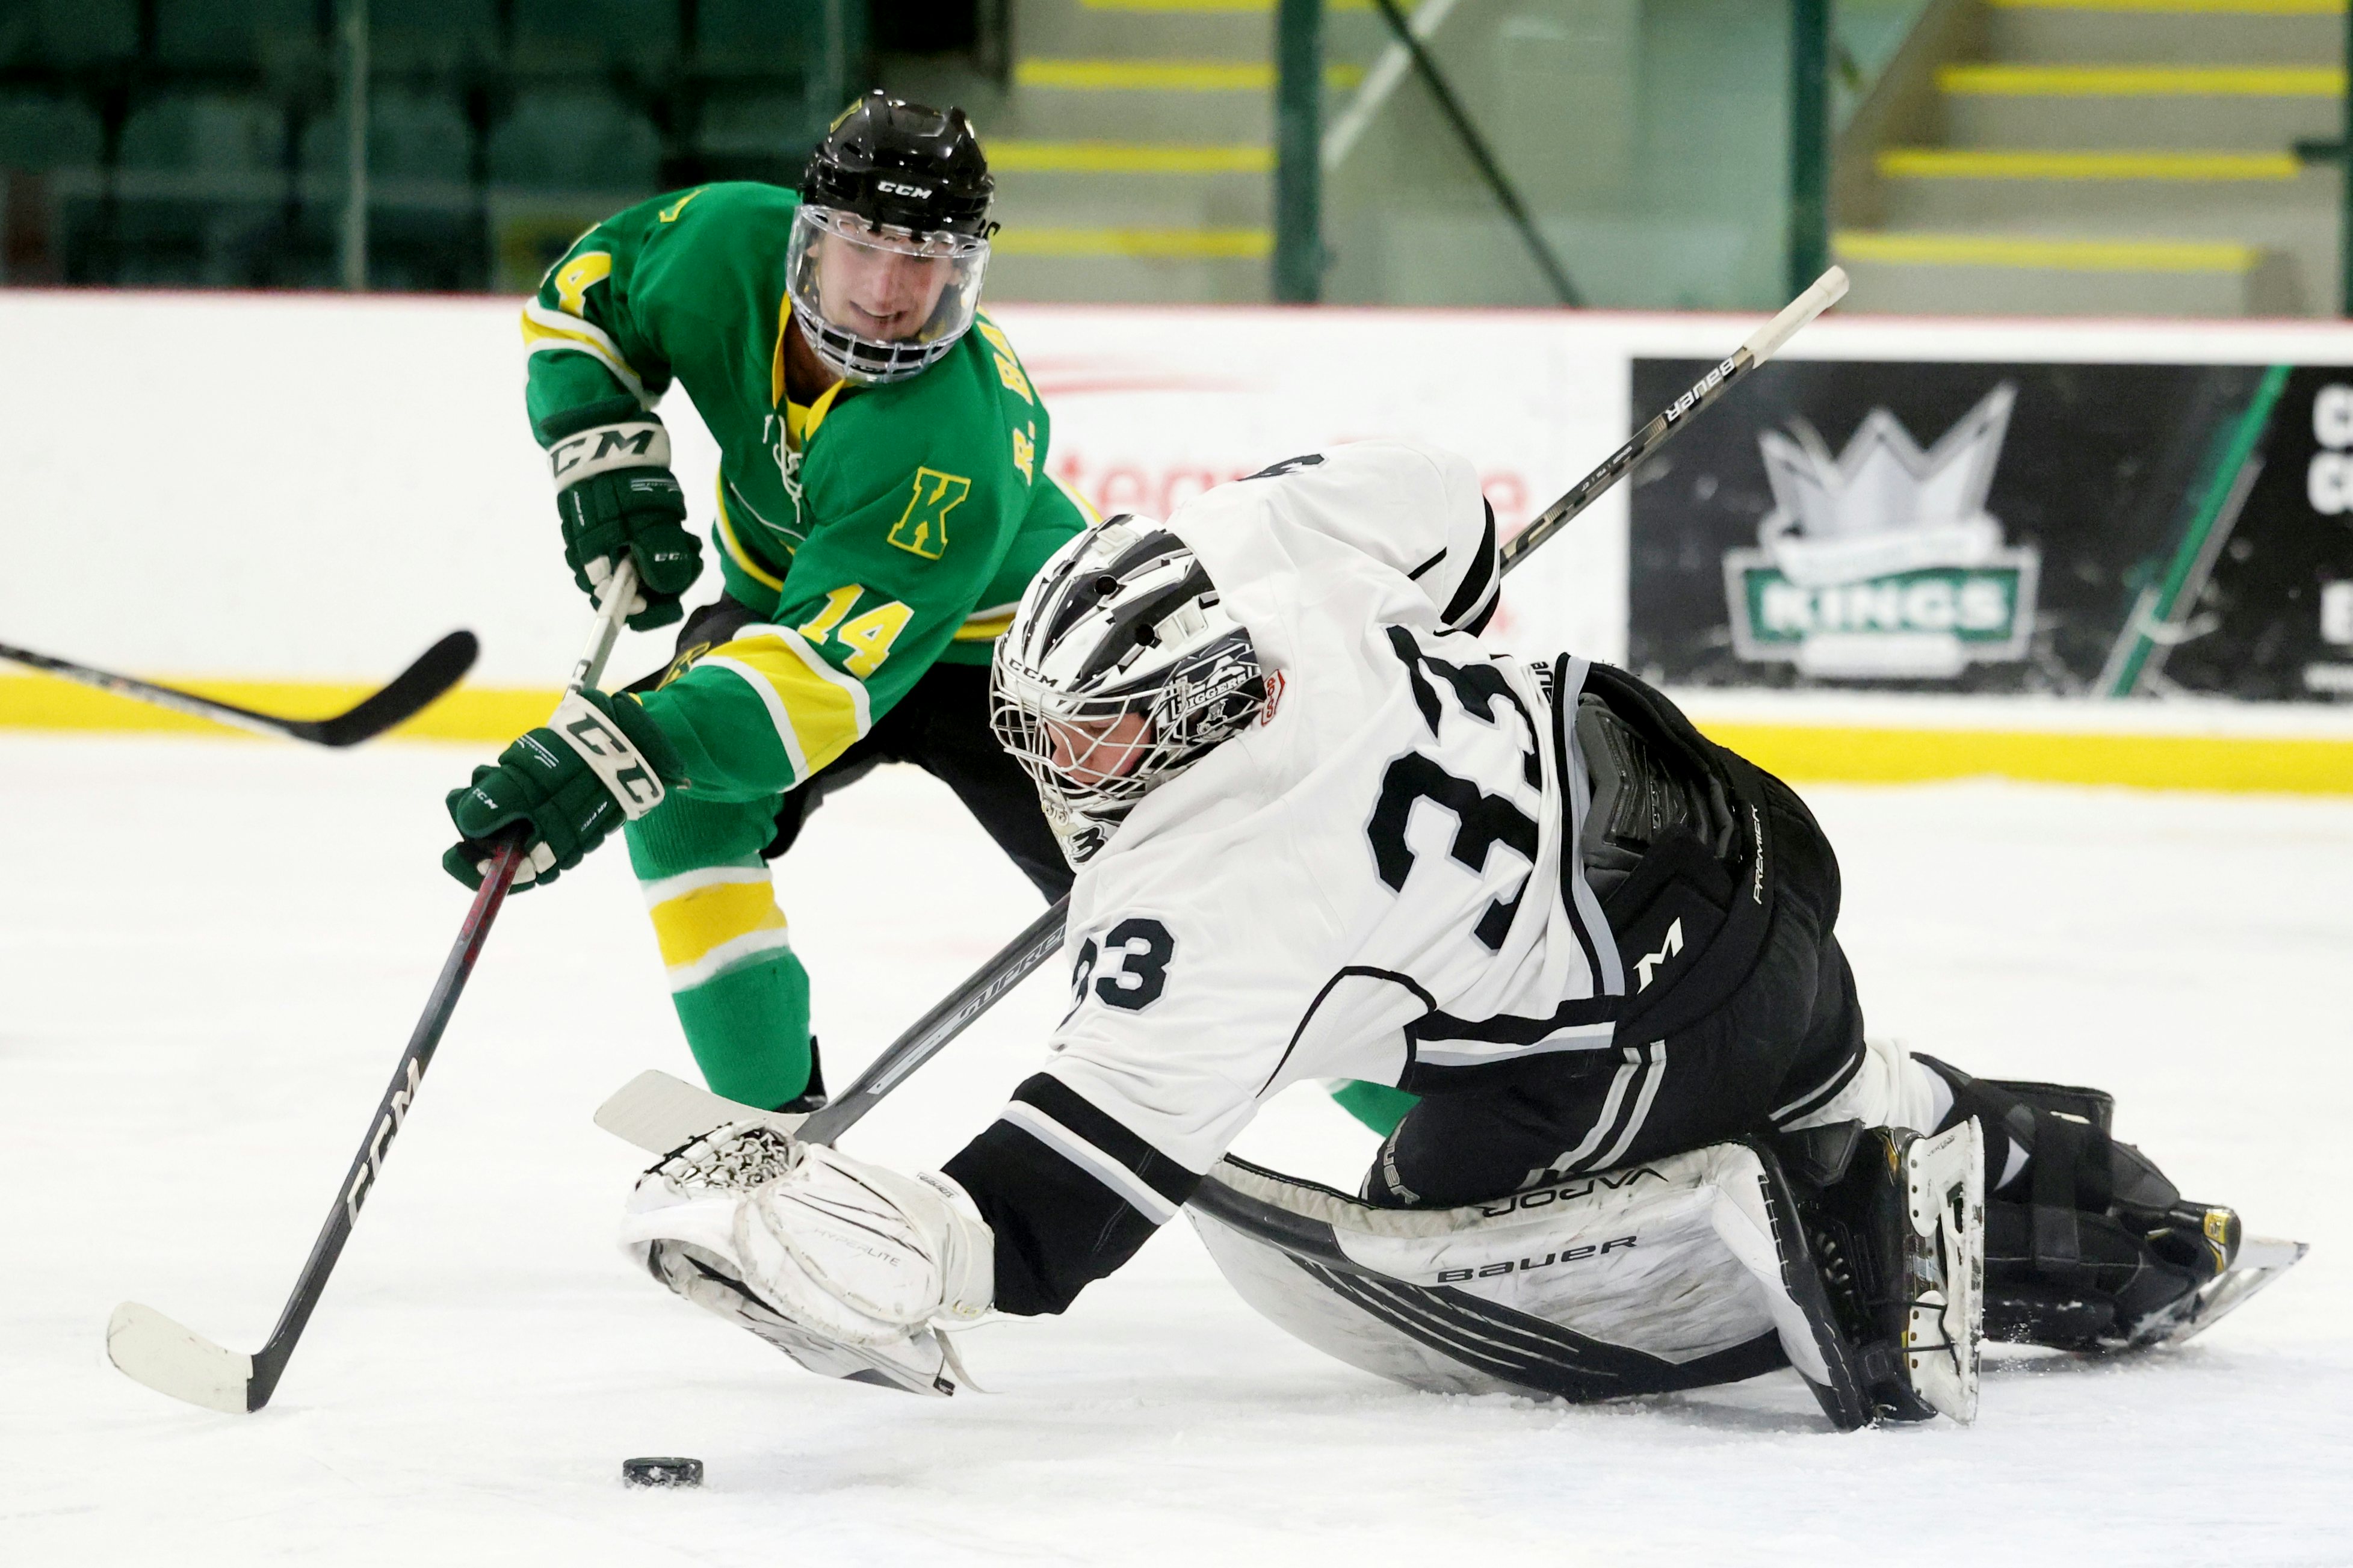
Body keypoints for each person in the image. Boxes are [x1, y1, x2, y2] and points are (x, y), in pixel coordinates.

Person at [588, 442, 2272, 1423]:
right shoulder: (1256, 550)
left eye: (1091, 741)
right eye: (1043, 729)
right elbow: (1455, 530)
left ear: (1178, 712)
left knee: (1429, 1205)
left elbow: (1047, 1218)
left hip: (1669, 1003)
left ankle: (1852, 1207)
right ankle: (2102, 1191)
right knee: (1842, 1059)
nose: (1058, 770)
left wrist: (876, 1247)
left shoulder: (1210, 894)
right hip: (1744, 819)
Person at [448, 92, 1089, 1114]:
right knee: (684, 814)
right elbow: (583, 300)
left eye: (923, 257)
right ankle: (767, 1133)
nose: (887, 291)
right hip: (791, 605)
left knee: (1184, 924)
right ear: (807, 234)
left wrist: (615, 755)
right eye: (865, 245)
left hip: (1016, 658)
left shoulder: (948, 437)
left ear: (963, 267)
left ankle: (1428, 1151)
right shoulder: (718, 246)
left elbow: (818, 686)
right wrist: (600, 454)